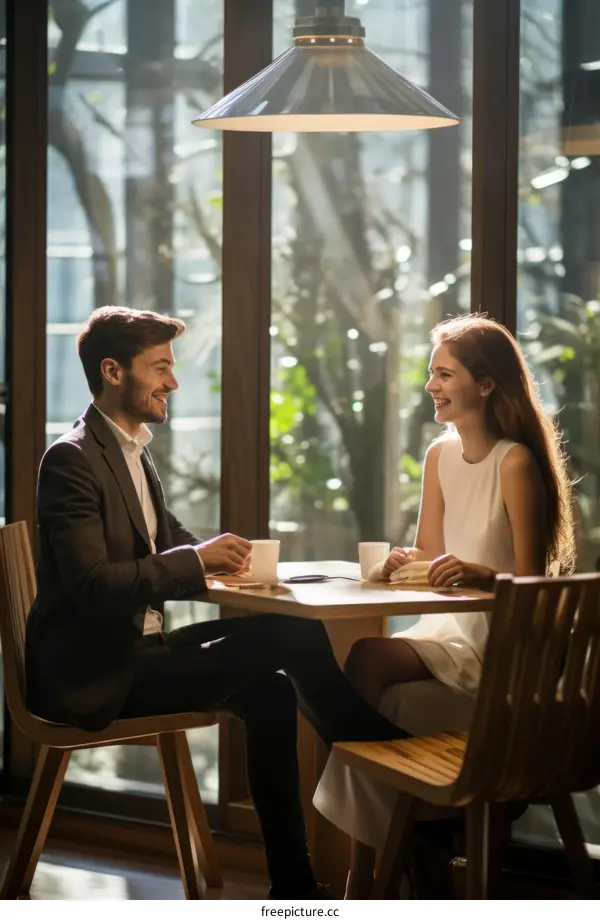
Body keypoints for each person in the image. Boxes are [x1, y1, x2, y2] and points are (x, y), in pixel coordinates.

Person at [25, 306, 409, 900]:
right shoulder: (71, 459)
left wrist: (236, 561)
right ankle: (399, 771)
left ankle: (297, 889)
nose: (173, 383)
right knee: (289, 643)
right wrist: (198, 561)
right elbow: (95, 587)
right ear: (113, 371)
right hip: (97, 673)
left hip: (140, 653)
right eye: (160, 368)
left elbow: (174, 548)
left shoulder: (132, 451)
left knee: (277, 678)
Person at [313, 312, 576, 898]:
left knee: (366, 664)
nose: (431, 386)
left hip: (497, 649)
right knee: (370, 672)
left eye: (444, 374)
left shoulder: (515, 462)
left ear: (485, 385)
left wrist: (482, 573)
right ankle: (413, 851)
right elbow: (431, 555)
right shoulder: (439, 455)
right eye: (432, 373)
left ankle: (378, 869)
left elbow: (531, 583)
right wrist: (402, 560)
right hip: (443, 634)